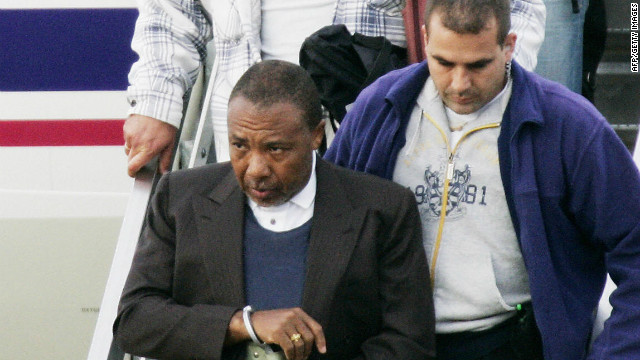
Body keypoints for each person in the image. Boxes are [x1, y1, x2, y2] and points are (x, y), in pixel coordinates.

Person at [324, 0, 640, 358]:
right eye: (444, 63)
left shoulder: (570, 126)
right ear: (425, 39)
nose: (460, 84)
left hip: (506, 342)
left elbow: (634, 247)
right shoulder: (378, 108)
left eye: (478, 65)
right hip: (390, 343)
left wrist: (617, 351)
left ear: (509, 46)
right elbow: (327, 224)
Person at [113, 60, 435, 360]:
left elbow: (408, 341)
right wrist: (244, 324)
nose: (255, 169)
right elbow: (134, 320)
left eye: (275, 148)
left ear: (316, 135)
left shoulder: (384, 209)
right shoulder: (180, 197)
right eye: (239, 145)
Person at [122, 0, 546, 177]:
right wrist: (157, 102)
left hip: (386, 140)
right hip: (249, 145)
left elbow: (517, 9)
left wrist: (490, 87)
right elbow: (173, 10)